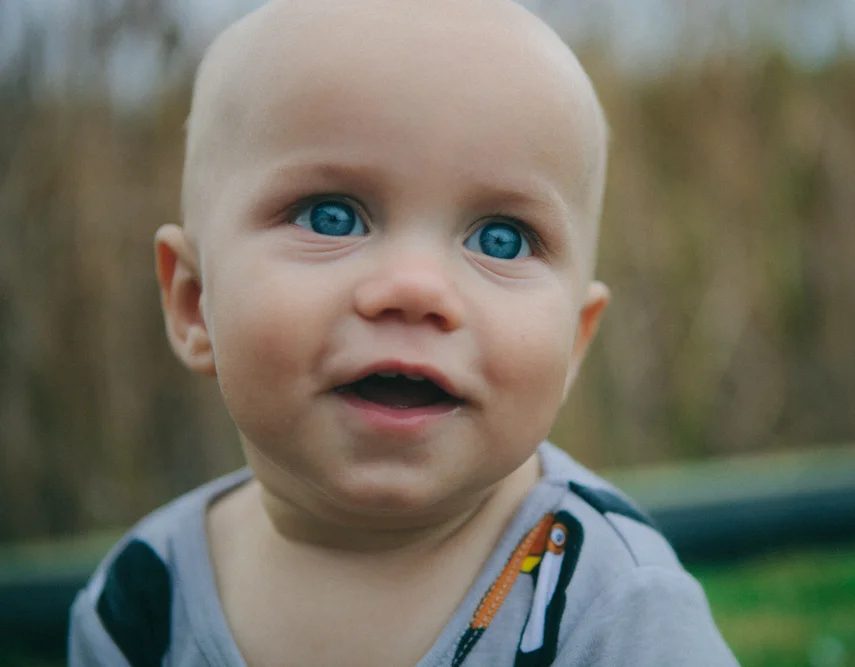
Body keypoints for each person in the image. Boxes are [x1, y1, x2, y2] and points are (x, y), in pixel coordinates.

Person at [68, 0, 739, 665]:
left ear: (574, 345)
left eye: (501, 239)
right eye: (330, 217)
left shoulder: (615, 609)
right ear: (194, 302)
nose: (416, 289)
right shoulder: (138, 606)